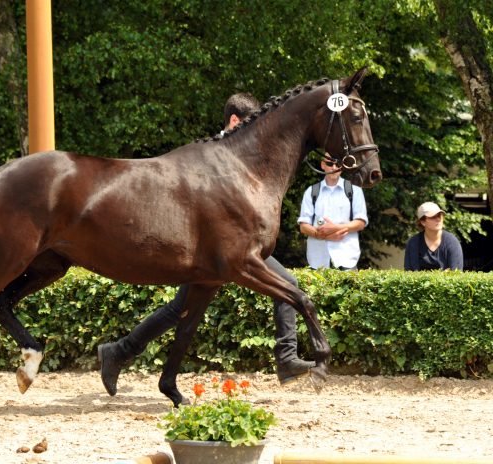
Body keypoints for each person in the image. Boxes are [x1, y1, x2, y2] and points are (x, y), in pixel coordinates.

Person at [98, 93, 314, 396]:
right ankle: (119, 353)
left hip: (238, 249)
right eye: (250, 123)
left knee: (283, 287)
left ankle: (119, 353)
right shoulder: (212, 156)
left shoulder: (246, 156)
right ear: (235, 121)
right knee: (180, 309)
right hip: (211, 251)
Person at [297, 158, 368, 270]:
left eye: (338, 164)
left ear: (342, 166)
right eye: (330, 164)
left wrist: (335, 228)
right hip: (318, 259)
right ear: (322, 165)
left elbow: (360, 224)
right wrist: (328, 236)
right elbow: (303, 227)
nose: (334, 167)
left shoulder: (354, 191)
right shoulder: (311, 192)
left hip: (346, 258)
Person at [404, 202, 463, 271]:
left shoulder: (452, 241)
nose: (438, 219)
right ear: (423, 222)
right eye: (433, 217)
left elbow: (456, 273)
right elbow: (409, 273)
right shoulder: (413, 243)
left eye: (439, 216)